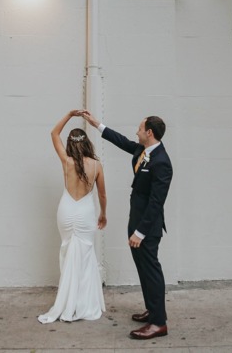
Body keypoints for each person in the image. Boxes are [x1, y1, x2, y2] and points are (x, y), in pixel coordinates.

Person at [81, 110, 172, 340]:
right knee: (143, 269)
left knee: (151, 271)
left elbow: (156, 202)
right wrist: (97, 124)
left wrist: (140, 232)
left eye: (140, 128)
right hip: (137, 220)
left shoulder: (162, 162)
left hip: (147, 228)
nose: (136, 131)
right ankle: (153, 310)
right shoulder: (144, 150)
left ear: (149, 132)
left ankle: (158, 323)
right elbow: (122, 142)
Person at [38, 110, 107, 324]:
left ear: (71, 143)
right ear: (87, 144)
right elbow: (103, 194)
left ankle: (68, 300)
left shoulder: (67, 161)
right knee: (86, 256)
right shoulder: (96, 165)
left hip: (67, 211)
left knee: (67, 252)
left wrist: (69, 115)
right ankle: (83, 303)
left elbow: (53, 133)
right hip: (86, 213)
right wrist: (103, 214)